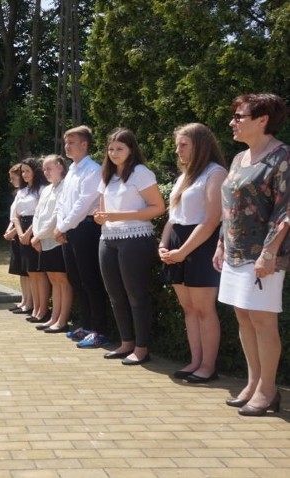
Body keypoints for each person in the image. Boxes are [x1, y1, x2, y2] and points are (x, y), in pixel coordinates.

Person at [213, 93, 290, 416]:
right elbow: (229, 207)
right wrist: (220, 243)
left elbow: (285, 208)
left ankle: (268, 390)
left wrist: (270, 252)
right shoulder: (238, 158)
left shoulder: (282, 156)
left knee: (262, 320)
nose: (232, 122)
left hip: (263, 255)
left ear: (262, 120)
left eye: (239, 116)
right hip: (234, 252)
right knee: (243, 317)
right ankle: (254, 381)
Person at [159, 123, 227, 383]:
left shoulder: (215, 173)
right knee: (188, 308)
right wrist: (163, 245)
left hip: (200, 246)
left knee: (203, 309)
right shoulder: (183, 176)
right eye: (177, 145)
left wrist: (182, 252)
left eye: (183, 145)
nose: (178, 150)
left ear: (200, 145)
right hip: (177, 244)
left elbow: (211, 221)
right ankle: (195, 360)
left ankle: (208, 366)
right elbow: (172, 218)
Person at [94, 128, 165, 365]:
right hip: (108, 238)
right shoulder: (107, 175)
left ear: (131, 149)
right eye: (111, 148)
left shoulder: (141, 173)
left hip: (135, 239)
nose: (114, 153)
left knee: (136, 296)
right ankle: (126, 343)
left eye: (119, 149)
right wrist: (100, 217)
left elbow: (158, 207)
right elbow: (104, 211)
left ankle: (142, 348)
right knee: (115, 294)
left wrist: (118, 215)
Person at [54, 126, 111, 348]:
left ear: (84, 144)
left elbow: (83, 204)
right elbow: (63, 202)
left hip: (86, 228)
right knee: (76, 279)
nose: (66, 146)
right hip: (69, 230)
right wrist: (61, 226)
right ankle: (86, 325)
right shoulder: (72, 170)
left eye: (71, 142)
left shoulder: (92, 170)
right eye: (66, 142)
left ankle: (99, 330)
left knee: (90, 280)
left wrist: (63, 227)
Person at [31, 155, 72, 333]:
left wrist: (38, 236)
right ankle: (53, 318)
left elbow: (56, 216)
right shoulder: (46, 190)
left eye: (50, 168)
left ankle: (62, 320)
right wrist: (37, 236)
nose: (46, 172)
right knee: (54, 280)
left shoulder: (65, 187)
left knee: (63, 280)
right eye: (44, 169)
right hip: (44, 241)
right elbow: (38, 214)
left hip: (56, 240)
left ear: (61, 167)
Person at [13, 157, 50, 323]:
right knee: (31, 273)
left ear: (36, 171)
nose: (25, 174)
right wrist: (20, 233)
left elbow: (40, 214)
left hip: (35, 228)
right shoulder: (22, 191)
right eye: (22, 171)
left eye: (28, 170)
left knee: (38, 272)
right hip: (23, 229)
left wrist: (29, 233)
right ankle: (35, 307)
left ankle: (43, 309)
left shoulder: (42, 189)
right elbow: (16, 215)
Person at [4, 163, 33, 315]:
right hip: (16, 234)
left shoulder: (29, 192)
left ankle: (30, 302)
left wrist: (14, 231)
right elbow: (14, 216)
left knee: (28, 271)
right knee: (21, 272)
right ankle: (24, 300)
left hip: (22, 233)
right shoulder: (20, 193)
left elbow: (23, 217)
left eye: (13, 177)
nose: (12, 180)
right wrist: (9, 230)